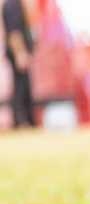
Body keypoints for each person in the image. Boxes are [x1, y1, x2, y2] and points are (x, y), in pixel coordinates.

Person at [3, 0, 34, 128]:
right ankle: (22, 121)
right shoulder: (12, 4)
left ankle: (23, 120)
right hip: (18, 53)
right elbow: (14, 32)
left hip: (18, 52)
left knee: (22, 86)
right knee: (21, 87)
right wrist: (20, 53)